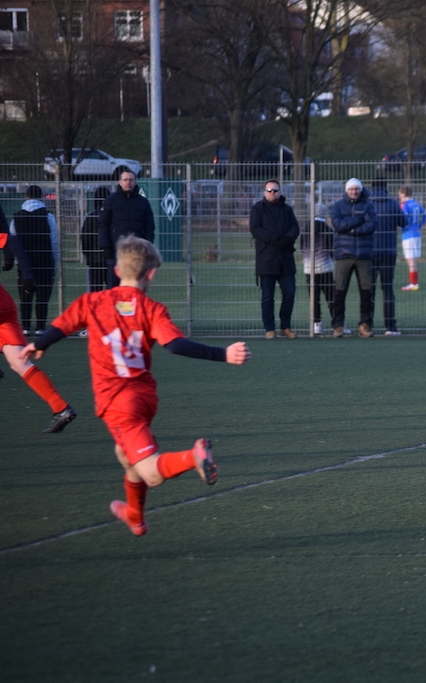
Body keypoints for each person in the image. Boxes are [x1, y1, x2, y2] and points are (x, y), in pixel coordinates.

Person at [21, 236, 250, 536]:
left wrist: (38, 344)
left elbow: (60, 327)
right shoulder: (152, 309)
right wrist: (223, 354)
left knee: (151, 474)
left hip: (117, 403)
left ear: (117, 270)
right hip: (144, 397)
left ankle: (193, 457)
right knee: (125, 455)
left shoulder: (92, 303)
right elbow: (176, 345)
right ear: (151, 273)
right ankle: (134, 515)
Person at [1, 219, 77, 433]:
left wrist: (24, 270)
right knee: (19, 362)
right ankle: (61, 408)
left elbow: (10, 239)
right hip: (5, 305)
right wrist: (26, 271)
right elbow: (10, 240)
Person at [249, 179, 300, 339]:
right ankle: (269, 328)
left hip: (286, 259)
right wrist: (272, 238)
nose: (273, 193)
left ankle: (286, 327)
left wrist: (286, 239)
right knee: (267, 296)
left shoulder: (287, 209)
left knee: (289, 293)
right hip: (266, 259)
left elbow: (295, 228)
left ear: (280, 192)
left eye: (275, 190)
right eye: (270, 190)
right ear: (265, 192)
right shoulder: (258, 209)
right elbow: (255, 229)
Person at [331, 177, 378, 338]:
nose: (354, 191)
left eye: (357, 189)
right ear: (347, 190)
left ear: (360, 189)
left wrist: (353, 230)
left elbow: (372, 224)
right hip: (344, 255)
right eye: (351, 189)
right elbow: (338, 224)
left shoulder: (368, 205)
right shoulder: (338, 206)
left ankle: (365, 325)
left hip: (364, 256)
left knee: (366, 292)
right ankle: (338, 325)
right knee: (339, 291)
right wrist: (358, 220)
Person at [9, 185, 59, 334]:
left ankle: (25, 326)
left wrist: (18, 262)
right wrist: (54, 262)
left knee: (25, 294)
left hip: (25, 263)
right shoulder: (48, 216)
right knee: (43, 296)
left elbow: (13, 242)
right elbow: (54, 241)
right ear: (41, 197)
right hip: (44, 261)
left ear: (26, 197)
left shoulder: (16, 217)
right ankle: (40, 326)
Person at [98, 170, 155, 288]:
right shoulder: (111, 200)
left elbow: (150, 227)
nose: (128, 182)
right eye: (125, 180)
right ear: (120, 182)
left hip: (137, 253)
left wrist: (147, 246)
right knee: (114, 287)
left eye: (131, 180)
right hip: (116, 252)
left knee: (135, 286)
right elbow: (103, 224)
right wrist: (105, 246)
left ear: (135, 182)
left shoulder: (143, 202)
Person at [367, 179, 406, 335]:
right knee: (387, 289)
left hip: (369, 251)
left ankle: (367, 325)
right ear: (385, 187)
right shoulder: (392, 204)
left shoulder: (367, 203)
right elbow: (404, 222)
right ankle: (390, 326)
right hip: (388, 251)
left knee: (369, 289)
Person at [301, 204, 336, 335]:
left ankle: (316, 324)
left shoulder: (305, 229)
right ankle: (336, 323)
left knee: (314, 298)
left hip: (309, 269)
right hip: (325, 268)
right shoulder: (327, 229)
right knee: (331, 297)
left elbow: (302, 247)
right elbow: (332, 249)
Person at [80, 186, 111, 293]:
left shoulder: (91, 217)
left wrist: (88, 254)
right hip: (110, 260)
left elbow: (85, 238)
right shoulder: (113, 216)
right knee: (113, 292)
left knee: (94, 294)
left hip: (94, 261)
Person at [398, 186, 426, 291]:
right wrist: (419, 225)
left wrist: (403, 226)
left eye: (400, 194)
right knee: (412, 260)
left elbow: (403, 216)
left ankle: (413, 284)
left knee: (410, 261)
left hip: (408, 234)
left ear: (403, 194)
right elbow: (425, 214)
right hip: (416, 233)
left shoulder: (405, 205)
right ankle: (414, 283)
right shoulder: (416, 203)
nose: (399, 196)